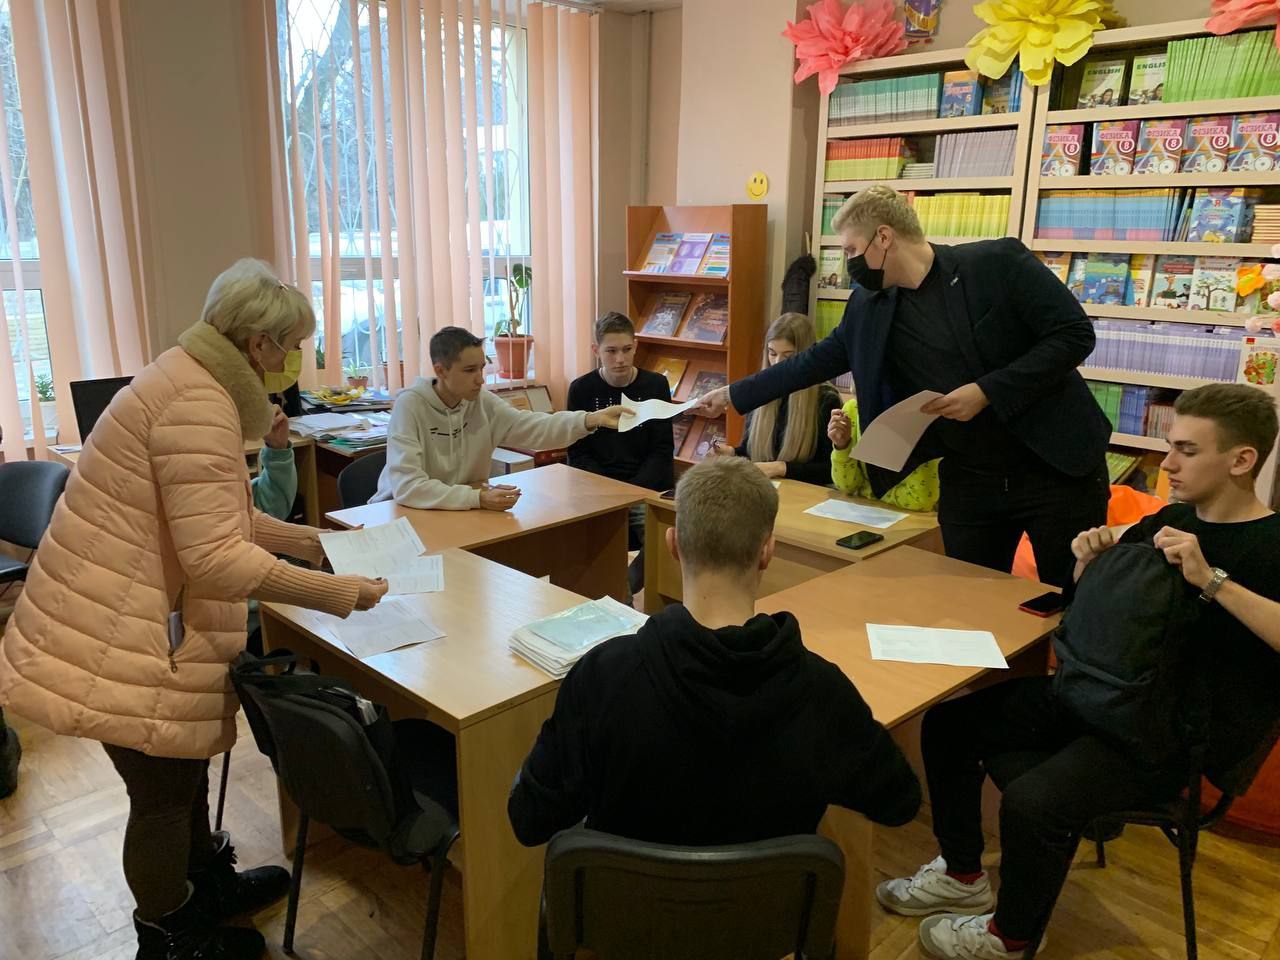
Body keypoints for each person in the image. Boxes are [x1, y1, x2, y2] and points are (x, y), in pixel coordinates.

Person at [0, 259, 389, 960]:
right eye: (294, 344)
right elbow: (214, 558)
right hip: (124, 628)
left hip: (126, 613)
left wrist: (312, 541)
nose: (298, 359)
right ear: (259, 344)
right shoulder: (197, 405)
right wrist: (339, 593)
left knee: (184, 770)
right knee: (161, 796)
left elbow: (221, 518)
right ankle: (169, 933)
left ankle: (203, 883)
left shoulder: (188, 380)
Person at [880, 384, 1280, 960]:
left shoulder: (1270, 545)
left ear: (1242, 460)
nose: (1168, 463)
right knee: (949, 725)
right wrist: (1088, 562)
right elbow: (1103, 610)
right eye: (1170, 445)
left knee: (1033, 801)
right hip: (1106, 695)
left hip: (1171, 738)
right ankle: (962, 875)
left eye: (1187, 450)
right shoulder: (1170, 518)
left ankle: (1011, 939)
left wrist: (1212, 580)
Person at [694, 184, 1110, 588]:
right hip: (971, 476)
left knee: (1073, 598)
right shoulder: (868, 305)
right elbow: (812, 362)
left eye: (852, 250)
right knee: (970, 602)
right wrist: (733, 395)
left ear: (884, 237)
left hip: (1056, 466)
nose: (849, 263)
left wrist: (987, 391)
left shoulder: (996, 263)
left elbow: (1074, 334)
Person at [507, 456, 922, 847]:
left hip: (630, 901)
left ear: (672, 543)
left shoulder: (604, 676)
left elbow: (530, 819)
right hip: (768, 902)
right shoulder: (822, 689)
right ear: (767, 551)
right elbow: (899, 802)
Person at [372, 326, 628, 511]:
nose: (480, 379)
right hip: (399, 512)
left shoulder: (480, 401)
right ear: (441, 371)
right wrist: (477, 498)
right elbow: (408, 486)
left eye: (482, 368)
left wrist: (590, 420)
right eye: (469, 370)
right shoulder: (410, 406)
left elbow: (533, 427)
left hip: (457, 512)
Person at [567, 312, 674, 596]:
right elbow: (578, 454)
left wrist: (633, 492)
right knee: (597, 543)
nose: (620, 359)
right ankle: (621, 602)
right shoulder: (581, 389)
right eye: (611, 351)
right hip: (599, 489)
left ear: (636, 346)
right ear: (596, 351)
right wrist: (611, 491)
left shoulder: (655, 385)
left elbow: (662, 449)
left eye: (627, 350)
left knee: (668, 537)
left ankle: (624, 587)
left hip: (644, 487)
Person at [713, 312, 841, 486]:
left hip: (803, 494)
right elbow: (751, 455)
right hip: (764, 489)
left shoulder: (826, 399)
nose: (778, 363)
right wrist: (731, 453)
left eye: (788, 357)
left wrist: (781, 468)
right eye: (772, 353)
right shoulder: (759, 392)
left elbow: (830, 470)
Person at [828, 397, 941, 511]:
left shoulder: (922, 414)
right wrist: (842, 447)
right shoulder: (853, 408)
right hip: (870, 512)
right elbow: (847, 486)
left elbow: (921, 500)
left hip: (915, 517)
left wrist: (868, 491)